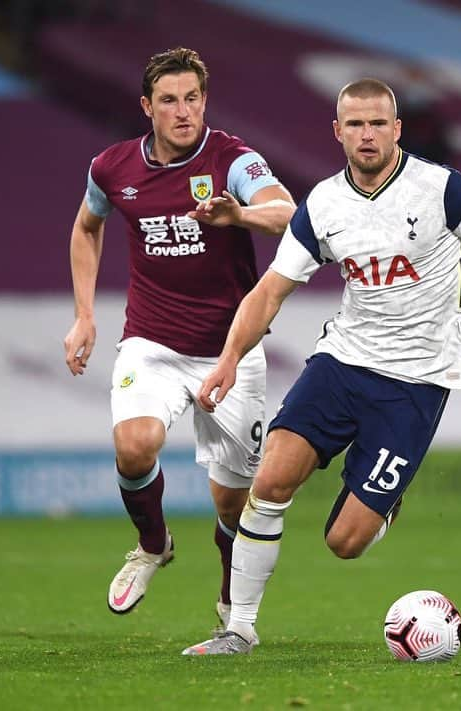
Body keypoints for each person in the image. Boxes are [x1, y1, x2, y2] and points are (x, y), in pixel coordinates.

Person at [180, 78, 461, 655]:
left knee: (345, 542)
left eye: (378, 123)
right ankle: (240, 628)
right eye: (354, 124)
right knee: (272, 479)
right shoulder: (323, 205)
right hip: (342, 362)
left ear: (397, 129)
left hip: (416, 381)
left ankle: (385, 497)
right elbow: (268, 293)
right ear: (337, 132)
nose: (367, 134)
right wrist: (229, 361)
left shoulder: (442, 190)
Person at [62, 47, 296, 624]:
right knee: (134, 444)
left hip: (231, 350)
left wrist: (236, 216)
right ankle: (152, 545)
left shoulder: (233, 160)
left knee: (231, 503)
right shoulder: (112, 168)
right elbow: (87, 227)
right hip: (153, 341)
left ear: (204, 101)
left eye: (192, 98)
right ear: (147, 106)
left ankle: (227, 602)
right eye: (169, 100)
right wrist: (85, 315)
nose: (183, 110)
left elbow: (287, 211)